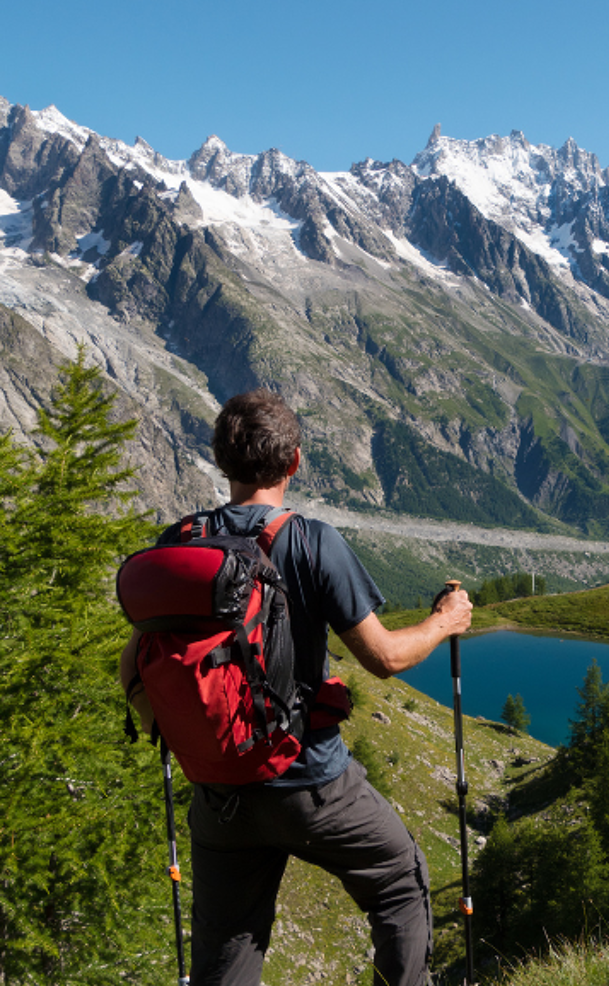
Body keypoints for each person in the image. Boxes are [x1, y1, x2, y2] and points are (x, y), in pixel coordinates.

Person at [119, 390, 472, 986]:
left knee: (226, 948)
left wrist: (178, 737)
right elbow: (384, 658)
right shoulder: (310, 540)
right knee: (398, 881)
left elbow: (135, 662)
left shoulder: (179, 542)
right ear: (295, 462)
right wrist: (445, 621)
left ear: (221, 462)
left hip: (217, 794)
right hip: (311, 784)